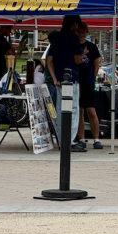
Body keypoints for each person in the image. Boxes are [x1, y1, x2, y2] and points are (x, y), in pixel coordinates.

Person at [46, 15, 83, 151]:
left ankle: (62, 140)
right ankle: (70, 140)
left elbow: (49, 60)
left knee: (61, 109)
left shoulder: (56, 38)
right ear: (74, 24)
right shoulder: (73, 38)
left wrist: (55, 78)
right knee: (73, 109)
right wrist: (82, 54)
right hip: (71, 78)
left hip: (59, 79)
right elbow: (77, 60)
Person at [75, 23, 102, 150]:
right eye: (78, 32)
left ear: (87, 32)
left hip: (88, 83)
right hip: (76, 83)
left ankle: (96, 139)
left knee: (91, 111)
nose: (81, 34)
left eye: (83, 32)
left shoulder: (92, 47)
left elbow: (96, 65)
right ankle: (81, 138)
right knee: (79, 112)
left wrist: (93, 78)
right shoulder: (73, 46)